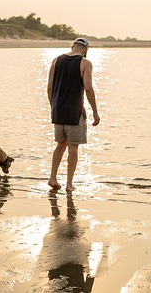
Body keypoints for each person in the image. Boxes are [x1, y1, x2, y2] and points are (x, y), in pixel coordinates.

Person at [47, 38, 100, 191]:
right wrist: (95, 112)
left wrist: (54, 107)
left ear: (72, 47)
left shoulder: (56, 61)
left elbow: (49, 87)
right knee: (73, 147)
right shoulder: (85, 63)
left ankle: (52, 178)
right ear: (85, 50)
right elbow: (88, 89)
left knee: (60, 145)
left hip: (58, 110)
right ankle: (69, 184)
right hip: (74, 111)